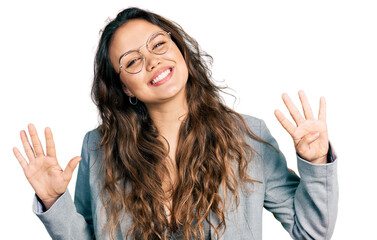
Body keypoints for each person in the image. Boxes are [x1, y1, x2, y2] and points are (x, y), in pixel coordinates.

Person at [13, 7, 338, 240]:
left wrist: (315, 161)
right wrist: (54, 202)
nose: (152, 61)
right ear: (125, 87)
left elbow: (312, 231)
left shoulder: (247, 137)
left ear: (179, 50)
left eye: (158, 44)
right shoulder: (98, 148)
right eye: (132, 61)